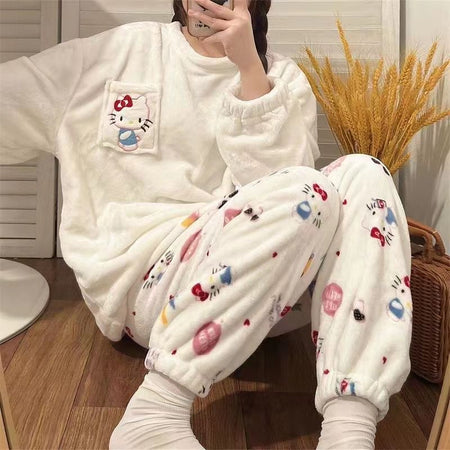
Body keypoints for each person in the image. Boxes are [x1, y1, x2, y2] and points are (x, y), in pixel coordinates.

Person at [0, 0, 413, 448]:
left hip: (272, 297)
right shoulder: (118, 53)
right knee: (307, 191)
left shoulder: (282, 78)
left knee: (365, 172)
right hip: (151, 284)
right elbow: (11, 98)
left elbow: (285, 199)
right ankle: (156, 411)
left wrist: (250, 71)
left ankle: (349, 427)